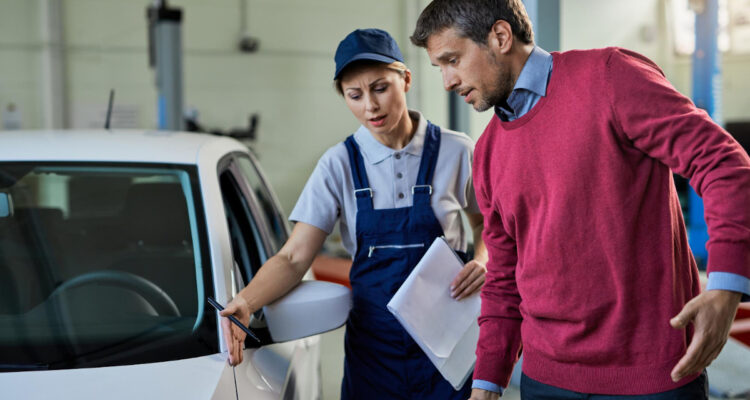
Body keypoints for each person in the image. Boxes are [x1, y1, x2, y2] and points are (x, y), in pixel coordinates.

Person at [409, 1, 750, 399]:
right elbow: (504, 281)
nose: (448, 81)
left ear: (500, 37)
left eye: (452, 60)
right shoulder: (486, 154)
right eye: (440, 67)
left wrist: (726, 285)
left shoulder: (609, 77)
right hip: (545, 381)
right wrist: (487, 382)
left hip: (651, 377)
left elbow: (724, 163)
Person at [219, 28, 488, 399]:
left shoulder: (456, 152)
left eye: (380, 88)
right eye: (355, 95)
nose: (370, 107)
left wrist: (483, 259)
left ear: (405, 79)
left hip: (451, 348)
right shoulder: (337, 165)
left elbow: (487, 224)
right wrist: (246, 302)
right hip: (375, 357)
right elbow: (294, 257)